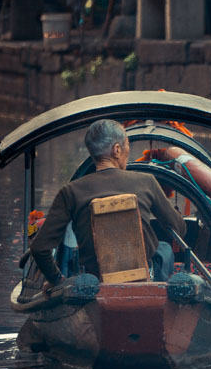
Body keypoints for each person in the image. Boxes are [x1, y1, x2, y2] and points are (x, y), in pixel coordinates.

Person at [30, 119, 186, 288]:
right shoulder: (146, 181)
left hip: (94, 282)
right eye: (127, 145)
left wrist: (57, 281)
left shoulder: (70, 192)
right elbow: (180, 229)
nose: (128, 149)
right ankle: (157, 289)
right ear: (117, 150)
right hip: (145, 278)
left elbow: (39, 248)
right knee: (164, 248)